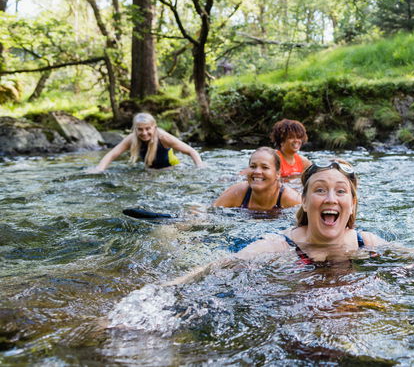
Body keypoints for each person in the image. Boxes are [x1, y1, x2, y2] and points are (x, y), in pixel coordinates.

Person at [166, 159, 385, 285]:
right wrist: (166, 288)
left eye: (340, 191)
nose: (330, 199)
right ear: (305, 202)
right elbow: (217, 266)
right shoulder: (278, 245)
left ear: (353, 203)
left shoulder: (365, 241)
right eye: (320, 190)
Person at [90, 112, 204, 172]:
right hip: (151, 172)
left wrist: (200, 167)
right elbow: (112, 154)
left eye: (147, 128)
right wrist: (99, 169)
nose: (144, 133)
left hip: (172, 170)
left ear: (154, 127)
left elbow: (191, 151)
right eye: (140, 129)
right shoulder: (132, 138)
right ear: (135, 129)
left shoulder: (164, 137)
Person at [213, 147, 301, 210]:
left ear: (278, 174)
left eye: (265, 167)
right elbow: (210, 213)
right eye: (253, 166)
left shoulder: (292, 200)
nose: (257, 171)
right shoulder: (237, 192)